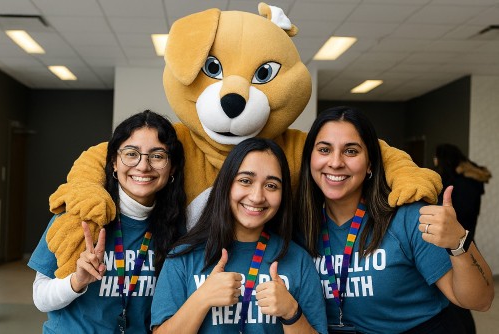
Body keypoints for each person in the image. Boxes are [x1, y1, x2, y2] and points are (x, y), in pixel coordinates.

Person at [295, 106, 494, 334]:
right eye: (324, 150)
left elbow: (481, 300)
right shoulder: (301, 227)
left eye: (351, 151)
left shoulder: (407, 217)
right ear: (309, 158)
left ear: (370, 163)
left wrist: (459, 242)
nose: (336, 162)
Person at [28, 110, 186, 333]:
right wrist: (77, 281)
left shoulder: (178, 228)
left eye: (157, 156)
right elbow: (40, 298)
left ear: (173, 168)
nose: (143, 166)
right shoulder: (79, 214)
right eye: (131, 154)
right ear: (114, 162)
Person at [151, 138, 328, 333]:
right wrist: (202, 298)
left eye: (271, 185)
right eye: (245, 181)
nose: (257, 196)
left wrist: (291, 313)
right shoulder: (183, 256)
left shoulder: (298, 259)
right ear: (226, 184)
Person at [433, 143, 492, 334]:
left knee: (456, 299)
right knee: (462, 300)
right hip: (468, 238)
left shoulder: (452, 184)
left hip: (451, 244)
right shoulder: (473, 180)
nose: (434, 161)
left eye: (436, 158)